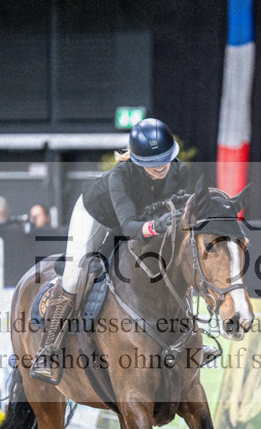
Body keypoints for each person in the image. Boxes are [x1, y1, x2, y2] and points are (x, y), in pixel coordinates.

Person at [32, 118, 195, 382]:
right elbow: (130, 227)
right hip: (98, 217)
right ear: (137, 160)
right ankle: (47, 350)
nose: (160, 166)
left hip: (143, 219)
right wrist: (157, 225)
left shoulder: (179, 171)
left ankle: (190, 340)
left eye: (165, 159)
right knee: (74, 274)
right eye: (152, 163)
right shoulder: (121, 176)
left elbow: (175, 207)